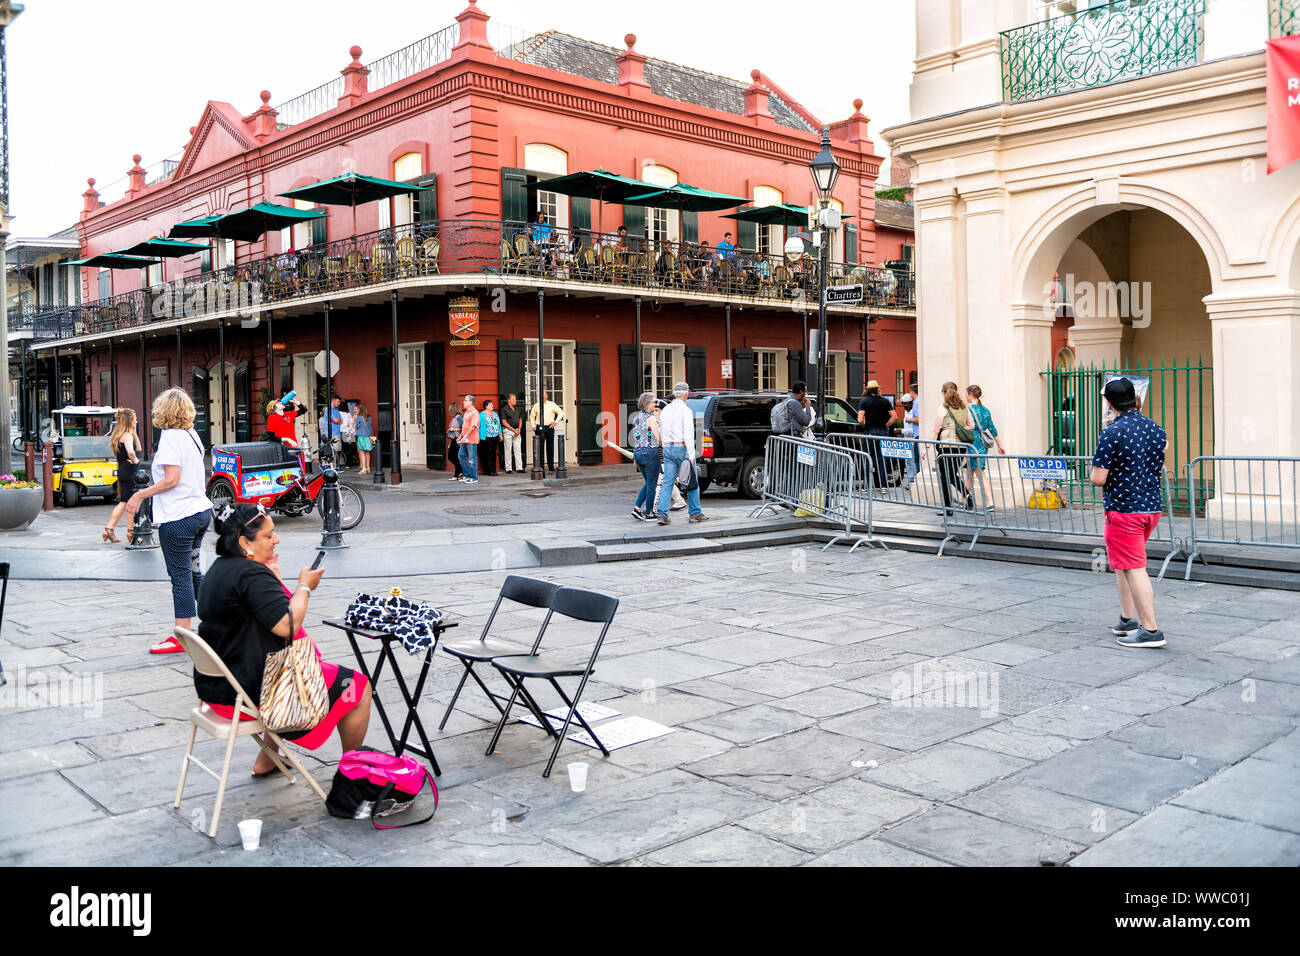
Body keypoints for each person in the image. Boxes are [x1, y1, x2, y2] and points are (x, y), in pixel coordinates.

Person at [197, 503, 373, 776]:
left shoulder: (219, 570)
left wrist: (274, 580)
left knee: (307, 665)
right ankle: (352, 774)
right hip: (257, 692)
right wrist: (304, 586)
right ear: (245, 542)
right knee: (358, 688)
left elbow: (258, 615)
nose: (276, 540)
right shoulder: (251, 574)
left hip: (217, 688)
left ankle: (268, 759)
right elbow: (288, 625)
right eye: (268, 535)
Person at [126, 388, 213, 655]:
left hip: (179, 517)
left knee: (181, 576)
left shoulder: (171, 438)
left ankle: (182, 635)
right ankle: (217, 625)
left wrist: (140, 494)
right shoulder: (191, 435)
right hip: (200, 512)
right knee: (195, 572)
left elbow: (171, 479)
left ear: (164, 411)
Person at [1091, 377, 1168, 649]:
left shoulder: (1111, 432)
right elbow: (1157, 467)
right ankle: (1127, 619)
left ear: (1109, 403)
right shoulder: (1157, 430)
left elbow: (1099, 478)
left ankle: (1150, 630)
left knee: (1134, 567)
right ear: (1134, 398)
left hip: (1124, 509)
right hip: (1151, 507)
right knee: (1122, 563)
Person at [655, 382, 707, 524]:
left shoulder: (665, 410)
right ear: (686, 394)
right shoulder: (686, 410)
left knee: (668, 482)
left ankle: (662, 513)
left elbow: (662, 430)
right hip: (682, 447)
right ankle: (695, 513)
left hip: (667, 447)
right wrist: (691, 455)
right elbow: (688, 434)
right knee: (691, 480)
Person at [931, 382, 976, 515]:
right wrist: (961, 429)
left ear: (944, 393)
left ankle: (948, 508)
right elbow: (971, 425)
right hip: (961, 447)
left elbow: (935, 430)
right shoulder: (964, 408)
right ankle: (968, 496)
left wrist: (925, 448)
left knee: (945, 477)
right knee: (950, 475)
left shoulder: (942, 409)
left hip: (946, 447)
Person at [103, 407, 140, 544]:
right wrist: (136, 461)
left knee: (124, 502)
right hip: (130, 470)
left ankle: (109, 529)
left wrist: (134, 432)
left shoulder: (119, 436)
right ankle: (131, 531)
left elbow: (139, 448)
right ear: (130, 420)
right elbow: (132, 451)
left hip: (122, 470)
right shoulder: (127, 436)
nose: (137, 421)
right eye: (135, 419)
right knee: (130, 502)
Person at [966, 385, 1005, 510]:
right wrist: (1000, 445)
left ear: (971, 394)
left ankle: (990, 502)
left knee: (979, 473)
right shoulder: (985, 410)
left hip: (973, 442)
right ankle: (965, 498)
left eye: (966, 394)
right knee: (969, 472)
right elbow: (992, 429)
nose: (965, 396)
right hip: (982, 444)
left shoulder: (969, 410)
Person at [857, 380, 898, 487]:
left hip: (869, 431)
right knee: (882, 459)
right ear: (877, 389)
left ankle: (866, 486)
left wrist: (864, 424)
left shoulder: (864, 402)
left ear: (867, 390)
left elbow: (860, 419)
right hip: (882, 432)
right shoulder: (885, 401)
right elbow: (894, 416)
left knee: (867, 458)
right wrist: (886, 425)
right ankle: (883, 485)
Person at [630, 391, 662, 521]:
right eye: (654, 401)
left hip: (638, 452)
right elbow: (658, 437)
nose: (656, 404)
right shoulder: (651, 418)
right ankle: (649, 513)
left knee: (649, 482)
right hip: (650, 453)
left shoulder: (636, 417)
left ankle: (637, 508)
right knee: (652, 484)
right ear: (647, 404)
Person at [529, 390, 565, 475]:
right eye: (542, 395)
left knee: (550, 447)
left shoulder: (552, 404)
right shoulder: (536, 405)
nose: (543, 397)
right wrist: (533, 426)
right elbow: (532, 416)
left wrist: (555, 422)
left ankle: (551, 466)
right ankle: (540, 465)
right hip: (539, 428)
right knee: (539, 447)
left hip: (549, 427)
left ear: (547, 396)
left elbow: (561, 413)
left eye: (545, 395)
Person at [457, 394, 480, 484]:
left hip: (472, 439)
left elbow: (473, 426)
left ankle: (474, 477)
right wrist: (461, 436)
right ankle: (466, 475)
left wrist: (465, 436)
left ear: (471, 402)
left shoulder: (475, 413)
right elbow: (465, 426)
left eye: (466, 401)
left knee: (472, 459)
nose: (464, 402)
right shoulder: (466, 412)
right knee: (461, 455)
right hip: (465, 439)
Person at [902, 386, 921, 485]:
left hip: (913, 438)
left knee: (914, 460)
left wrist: (902, 431)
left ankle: (914, 481)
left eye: (905, 404)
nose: (904, 406)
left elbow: (917, 421)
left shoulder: (916, 404)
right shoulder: (907, 411)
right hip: (909, 439)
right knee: (909, 461)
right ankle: (911, 480)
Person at [501, 393, 524, 473]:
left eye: (515, 399)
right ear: (509, 400)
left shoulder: (517, 409)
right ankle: (509, 468)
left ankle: (519, 468)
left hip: (517, 430)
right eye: (513, 399)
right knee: (508, 449)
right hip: (508, 431)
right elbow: (504, 422)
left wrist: (519, 429)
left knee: (518, 449)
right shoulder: (504, 409)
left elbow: (520, 419)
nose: (515, 400)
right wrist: (514, 431)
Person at [479, 398, 501, 476]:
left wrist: (500, 434)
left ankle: (494, 470)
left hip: (495, 436)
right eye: (490, 404)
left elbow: (499, 424)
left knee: (493, 453)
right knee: (487, 454)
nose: (492, 405)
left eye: (492, 404)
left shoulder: (495, 414)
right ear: (486, 406)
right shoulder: (482, 415)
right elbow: (479, 426)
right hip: (486, 437)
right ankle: (489, 470)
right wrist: (481, 437)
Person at [353, 401, 374, 474]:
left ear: (360, 409)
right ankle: (368, 468)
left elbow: (355, 427)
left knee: (361, 452)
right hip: (369, 436)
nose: (355, 411)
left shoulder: (358, 417)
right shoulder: (369, 417)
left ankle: (364, 469)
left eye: (356, 409)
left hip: (361, 436)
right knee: (367, 452)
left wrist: (353, 419)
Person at [446, 408, 463, 480]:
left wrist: (454, 429)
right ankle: (459, 473)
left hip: (457, 439)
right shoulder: (454, 418)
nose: (449, 410)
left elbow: (463, 428)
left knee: (451, 456)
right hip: (454, 439)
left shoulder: (459, 417)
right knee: (454, 456)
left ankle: (459, 472)